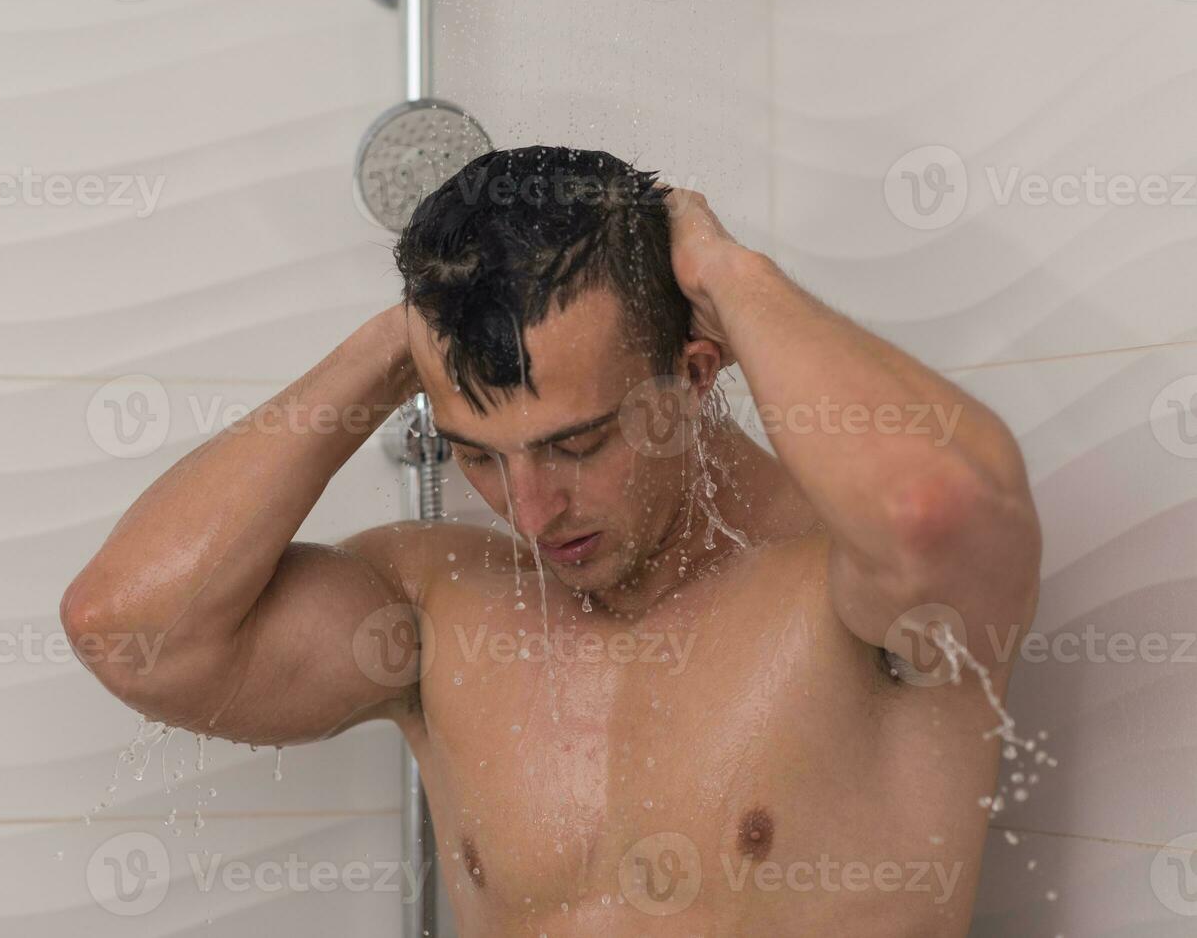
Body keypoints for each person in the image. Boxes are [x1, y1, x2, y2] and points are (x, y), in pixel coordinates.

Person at [61, 146, 1042, 935]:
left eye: (575, 445)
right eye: (476, 455)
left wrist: (727, 276)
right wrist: (389, 348)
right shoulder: (437, 605)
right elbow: (133, 628)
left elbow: (929, 504)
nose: (528, 514)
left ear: (693, 376)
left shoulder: (849, 585)